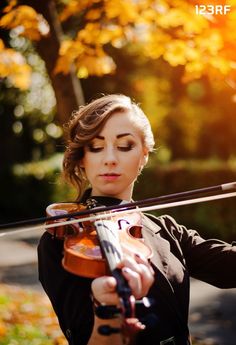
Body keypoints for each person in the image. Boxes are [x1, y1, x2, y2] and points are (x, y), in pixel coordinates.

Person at [37, 94, 236, 345]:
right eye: (96, 147)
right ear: (82, 159)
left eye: (124, 146)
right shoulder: (63, 241)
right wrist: (107, 311)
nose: (110, 158)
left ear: (144, 156)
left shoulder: (166, 230)